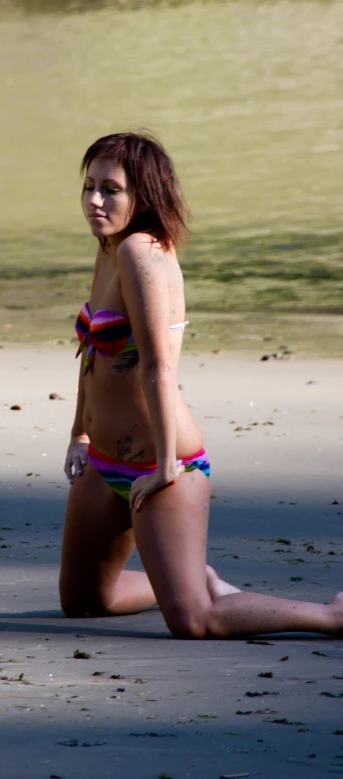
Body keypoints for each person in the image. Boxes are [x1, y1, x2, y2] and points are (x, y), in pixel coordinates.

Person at [59, 131, 342, 639]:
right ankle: (194, 580)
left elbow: (157, 368)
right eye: (89, 187)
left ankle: (331, 615)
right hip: (103, 464)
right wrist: (80, 432)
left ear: (143, 196)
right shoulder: (109, 246)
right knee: (84, 602)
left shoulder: (141, 254)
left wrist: (166, 466)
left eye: (111, 190)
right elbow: (93, 352)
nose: (95, 201)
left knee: (193, 622)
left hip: (161, 463)